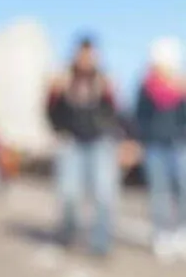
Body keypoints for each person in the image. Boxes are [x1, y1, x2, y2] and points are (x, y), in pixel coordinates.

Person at [46, 36, 122, 257]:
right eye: (82, 54)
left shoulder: (104, 80)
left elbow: (115, 111)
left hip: (100, 140)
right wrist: (54, 93)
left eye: (90, 54)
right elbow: (50, 112)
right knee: (68, 192)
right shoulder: (63, 79)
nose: (86, 59)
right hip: (71, 141)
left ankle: (101, 242)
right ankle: (68, 234)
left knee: (104, 193)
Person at [134, 37, 186, 263]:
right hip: (154, 146)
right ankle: (161, 234)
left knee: (182, 189)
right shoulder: (146, 87)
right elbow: (139, 117)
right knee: (159, 192)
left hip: (178, 145)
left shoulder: (181, 88)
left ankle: (180, 232)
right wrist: (140, 140)